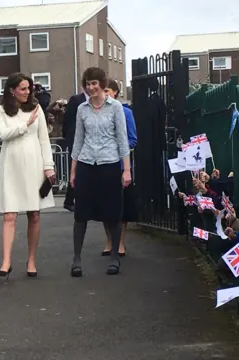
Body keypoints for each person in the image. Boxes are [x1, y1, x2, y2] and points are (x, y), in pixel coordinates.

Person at [69, 67, 131, 277]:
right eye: (88, 83)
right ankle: (77, 259)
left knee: (112, 212)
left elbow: (123, 140)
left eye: (94, 83)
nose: (91, 87)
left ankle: (114, 256)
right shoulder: (82, 109)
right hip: (87, 163)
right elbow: (78, 140)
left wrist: (127, 170)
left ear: (103, 84)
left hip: (109, 163)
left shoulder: (116, 108)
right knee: (81, 214)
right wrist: (73, 170)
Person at [0, 72, 56, 279]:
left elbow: (44, 140)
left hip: (34, 165)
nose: (27, 92)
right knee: (9, 215)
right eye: (23, 88)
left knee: (34, 215)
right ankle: (6, 261)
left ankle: (31, 260)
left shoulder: (37, 109)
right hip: (11, 166)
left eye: (29, 88)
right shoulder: (0, 109)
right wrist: (25, 124)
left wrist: (49, 166)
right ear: (12, 90)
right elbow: (3, 134)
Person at [101, 79, 137, 257]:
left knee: (121, 206)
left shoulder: (125, 112)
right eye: (103, 90)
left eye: (108, 91)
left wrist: (115, 147)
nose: (105, 94)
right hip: (101, 165)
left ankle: (121, 242)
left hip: (120, 165)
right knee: (104, 207)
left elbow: (132, 139)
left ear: (115, 93)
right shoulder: (96, 112)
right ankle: (109, 241)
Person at [62, 87, 88, 212]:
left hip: (87, 139)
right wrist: (67, 137)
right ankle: (70, 200)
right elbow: (67, 119)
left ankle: (78, 199)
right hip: (74, 139)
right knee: (75, 170)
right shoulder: (76, 100)